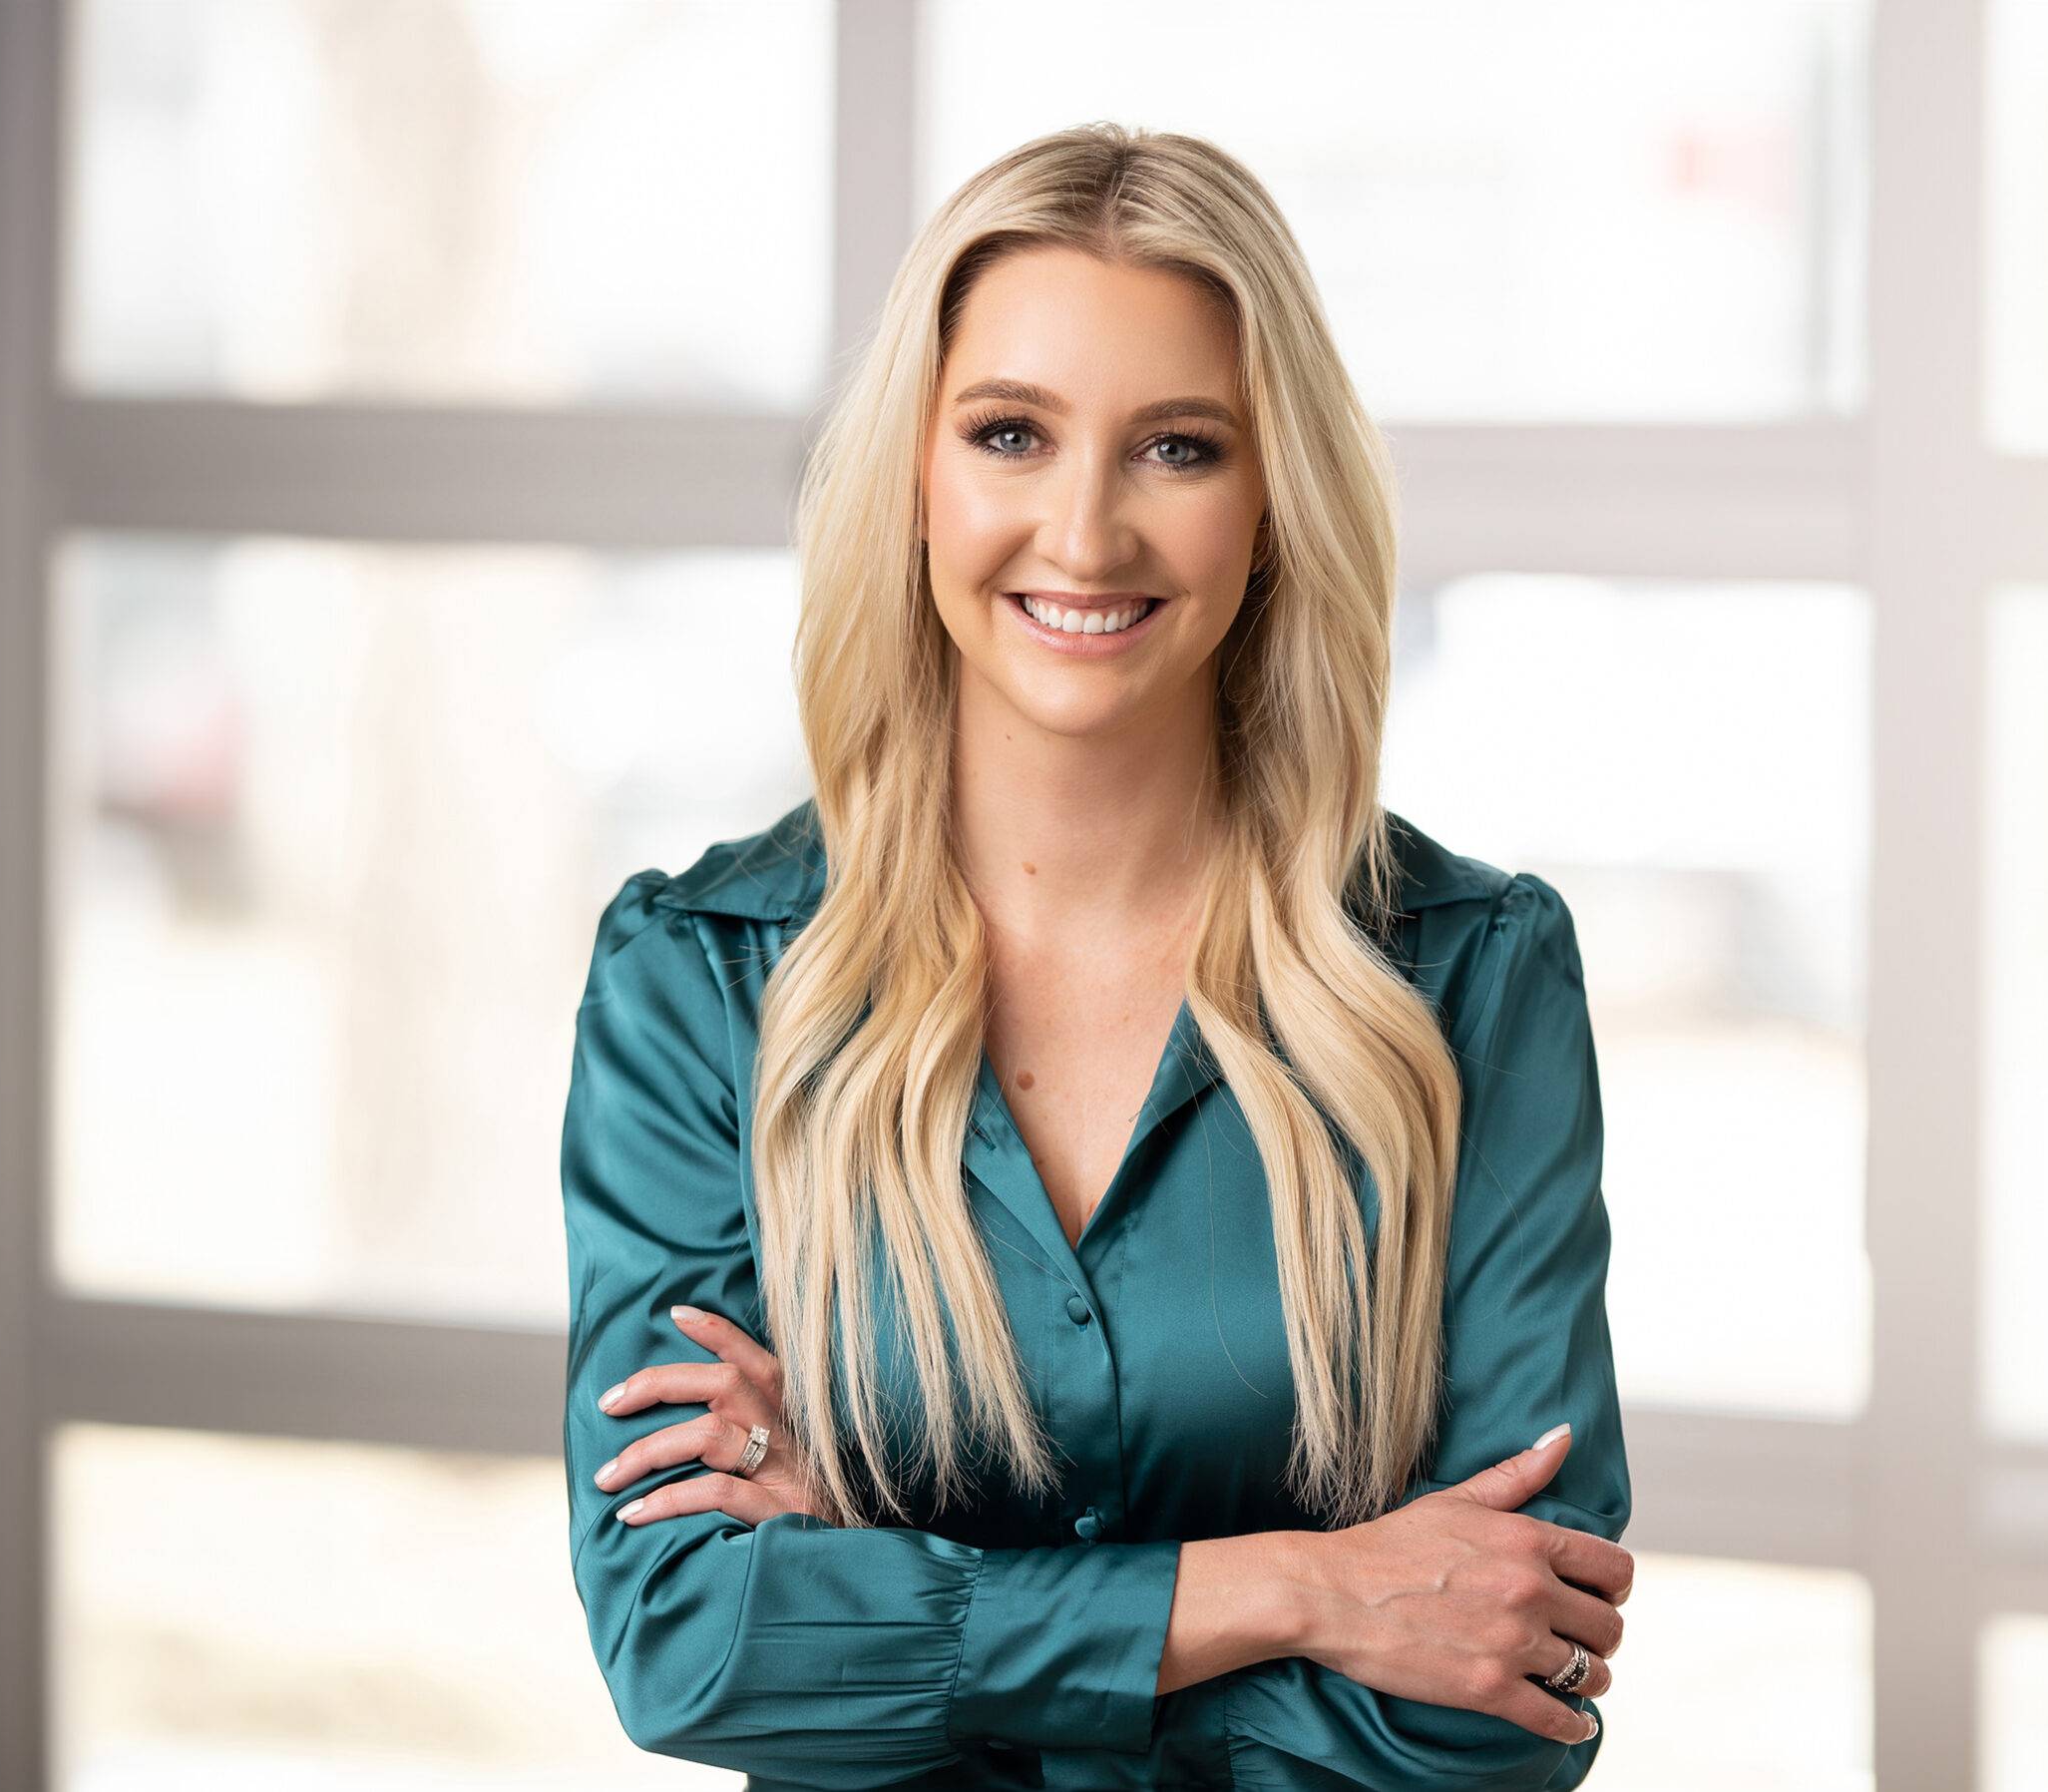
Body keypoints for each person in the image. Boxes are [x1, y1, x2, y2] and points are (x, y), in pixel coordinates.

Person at [559, 122, 1633, 1791]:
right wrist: (1297, 1590)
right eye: (1010, 433)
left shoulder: (1471, 980)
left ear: (1274, 501)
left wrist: (890, 1594)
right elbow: (692, 1649)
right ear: (916, 477)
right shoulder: (699, 986)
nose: (1084, 531)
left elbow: (1500, 1696)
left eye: (1177, 449)